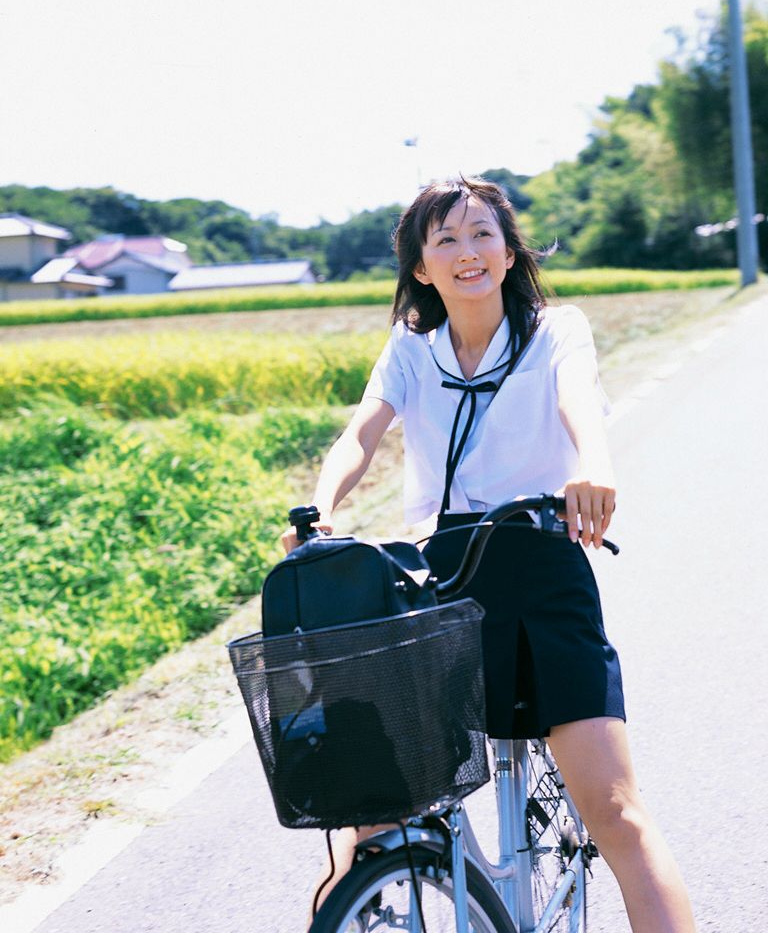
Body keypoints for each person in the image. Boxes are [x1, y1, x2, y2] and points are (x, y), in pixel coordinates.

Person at [283, 176, 696, 932]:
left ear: (509, 253)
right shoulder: (412, 348)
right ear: (421, 268)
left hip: (540, 569)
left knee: (613, 811)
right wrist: (321, 510)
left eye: (482, 234)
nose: (466, 252)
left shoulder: (555, 330)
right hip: (440, 585)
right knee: (366, 823)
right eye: (445, 240)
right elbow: (362, 433)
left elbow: (578, 401)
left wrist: (593, 465)